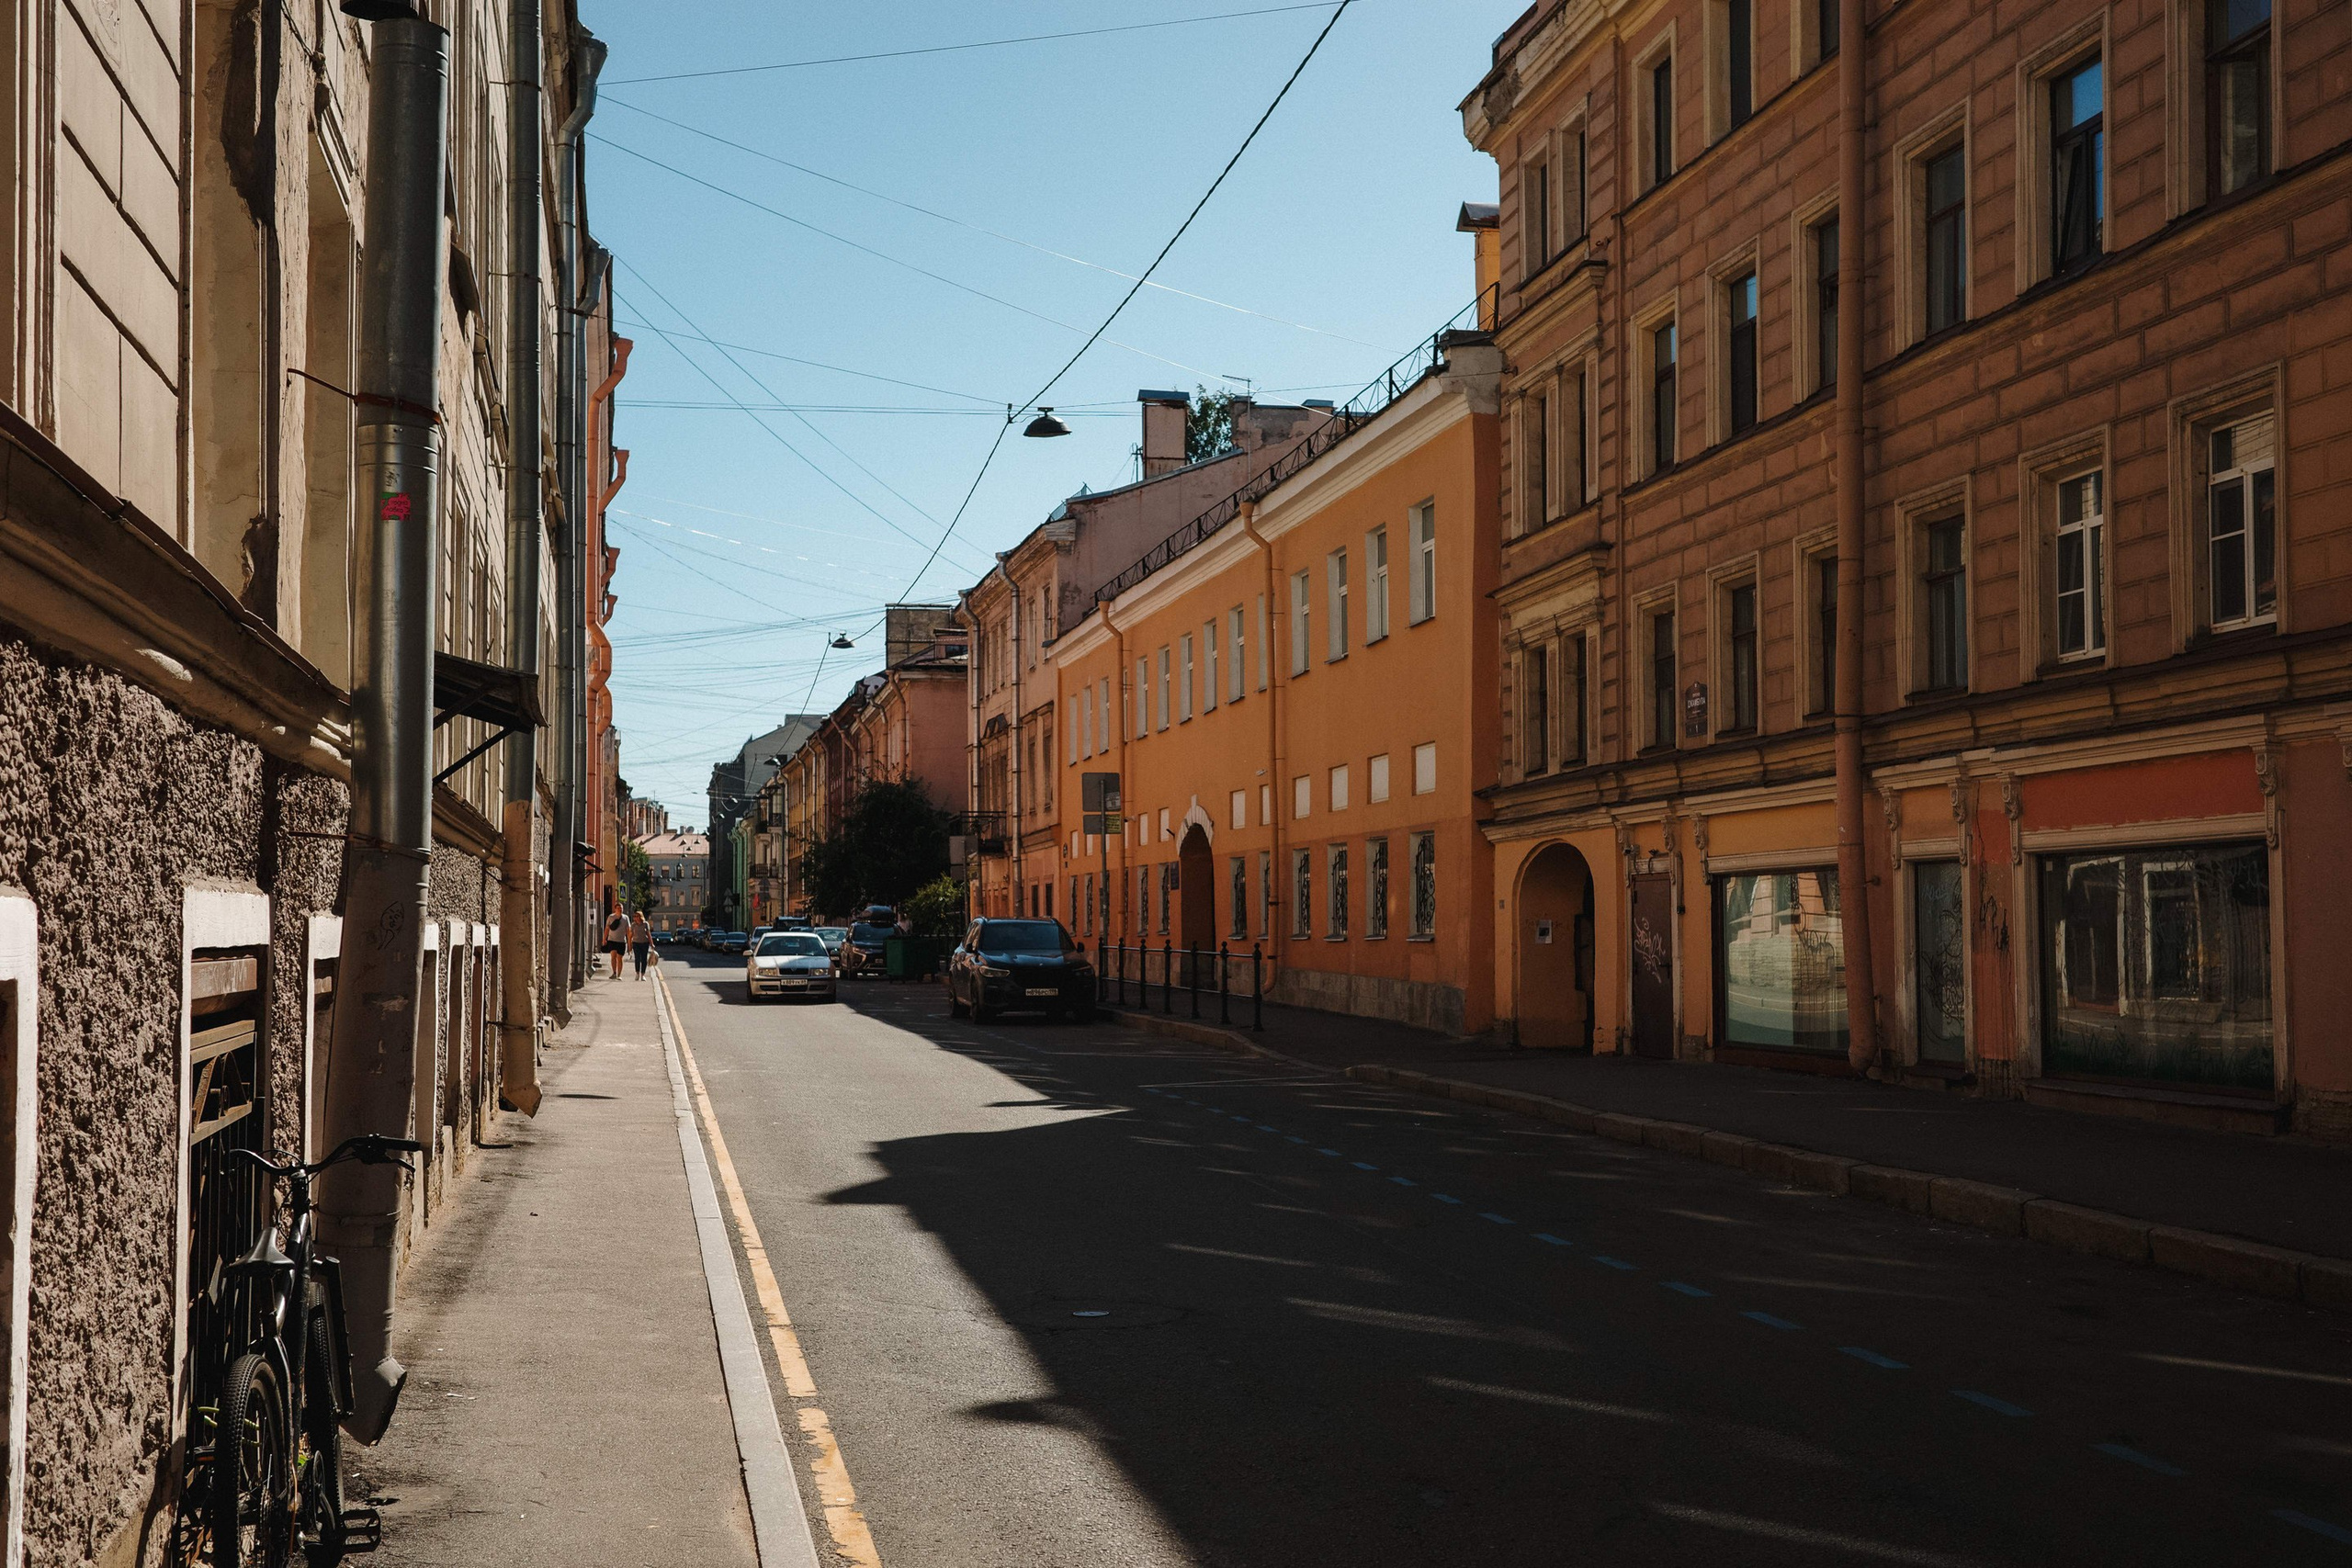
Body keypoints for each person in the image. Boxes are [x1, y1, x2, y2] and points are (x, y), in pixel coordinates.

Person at [603, 907, 628, 980]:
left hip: (621, 941)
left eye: (621, 908)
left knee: (619, 958)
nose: (620, 909)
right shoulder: (611, 917)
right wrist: (604, 939)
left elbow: (628, 930)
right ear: (615, 909)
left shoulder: (626, 918)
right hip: (612, 940)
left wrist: (629, 942)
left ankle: (619, 975)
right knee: (613, 956)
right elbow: (607, 929)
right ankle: (614, 973)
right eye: (618, 908)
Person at [630, 908, 653, 980]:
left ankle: (643, 974)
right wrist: (629, 945)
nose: (636, 918)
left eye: (638, 916)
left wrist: (652, 944)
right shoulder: (633, 925)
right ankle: (637, 973)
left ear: (641, 917)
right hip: (636, 943)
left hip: (644, 943)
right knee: (637, 958)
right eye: (635, 916)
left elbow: (648, 934)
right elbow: (630, 935)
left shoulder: (645, 924)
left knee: (644, 959)